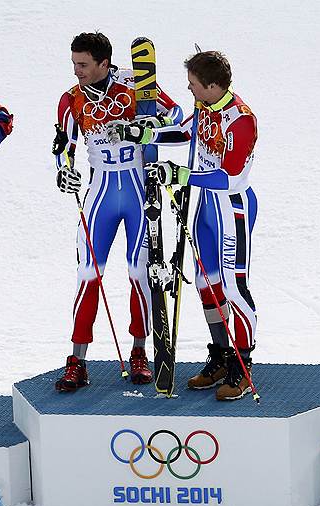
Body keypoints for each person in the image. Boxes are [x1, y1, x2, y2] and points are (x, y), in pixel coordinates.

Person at [113, 50, 258, 401]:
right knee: (206, 284)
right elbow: (183, 133)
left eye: (193, 85)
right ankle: (221, 356)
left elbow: (230, 176)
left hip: (230, 207)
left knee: (234, 288)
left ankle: (243, 367)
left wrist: (181, 175)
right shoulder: (207, 107)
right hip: (204, 208)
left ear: (212, 85)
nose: (189, 90)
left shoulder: (240, 119)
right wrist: (144, 135)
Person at [52, 32, 182, 391]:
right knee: (88, 274)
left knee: (141, 273)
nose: (76, 71)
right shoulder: (71, 99)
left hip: (140, 191)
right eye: (74, 64)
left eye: (83, 64)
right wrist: (64, 170)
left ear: (103, 63)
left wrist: (149, 127)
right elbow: (64, 144)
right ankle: (77, 360)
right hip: (100, 194)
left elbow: (176, 116)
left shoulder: (136, 84)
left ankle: (140, 351)